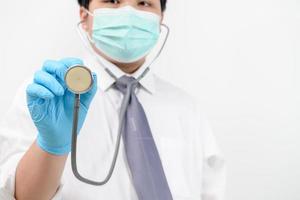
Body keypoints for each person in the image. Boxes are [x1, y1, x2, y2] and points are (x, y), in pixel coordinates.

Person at [0, 0, 226, 199]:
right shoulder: (48, 97)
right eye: (112, 0)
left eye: (144, 3)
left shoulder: (188, 110)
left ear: (160, 20)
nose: (129, 12)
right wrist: (51, 147)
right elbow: (19, 196)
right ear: (85, 16)